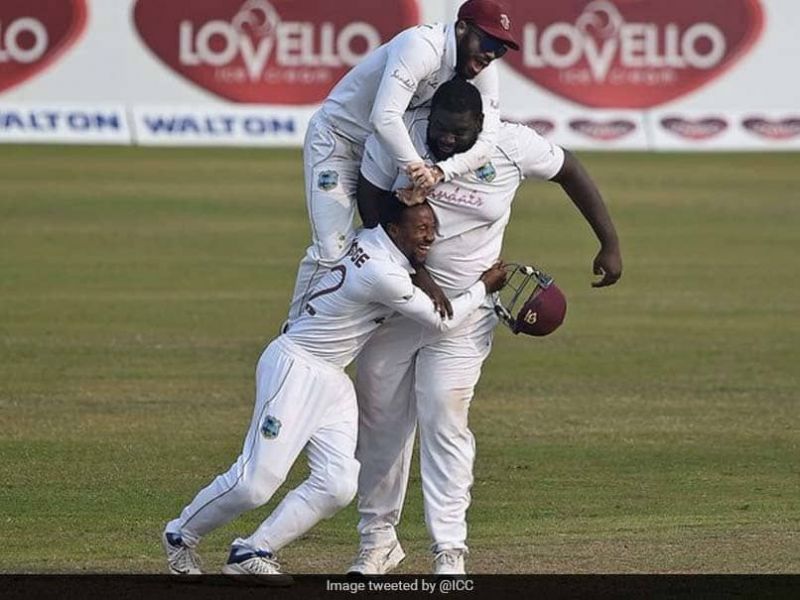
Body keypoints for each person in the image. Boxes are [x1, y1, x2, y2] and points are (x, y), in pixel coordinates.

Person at [349, 77, 622, 575]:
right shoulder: (402, 133)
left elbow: (571, 171)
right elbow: (369, 203)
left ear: (481, 125)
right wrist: (417, 273)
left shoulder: (511, 143)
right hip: (396, 307)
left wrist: (609, 242)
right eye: (440, 131)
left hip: (467, 317)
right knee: (381, 421)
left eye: (459, 133)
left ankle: (450, 553)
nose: (446, 141)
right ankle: (377, 540)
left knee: (444, 419)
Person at [162, 197, 508, 579]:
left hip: (332, 377)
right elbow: (440, 323)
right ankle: (180, 535)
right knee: (254, 484)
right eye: (421, 229)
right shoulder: (381, 272)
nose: (431, 237)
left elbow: (412, 268)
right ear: (394, 230)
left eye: (433, 228)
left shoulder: (375, 242)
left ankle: (252, 551)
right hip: (295, 366)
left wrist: (424, 270)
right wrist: (484, 288)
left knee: (338, 484)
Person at [288, 0, 519, 322]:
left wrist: (440, 171)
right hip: (340, 142)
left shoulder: (482, 69)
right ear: (462, 27)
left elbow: (487, 140)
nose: (492, 54)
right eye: (489, 42)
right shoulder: (421, 46)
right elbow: (384, 118)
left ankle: (341, 337)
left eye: (502, 49)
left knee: (384, 248)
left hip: (390, 153)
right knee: (332, 252)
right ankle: (297, 336)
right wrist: (417, 167)